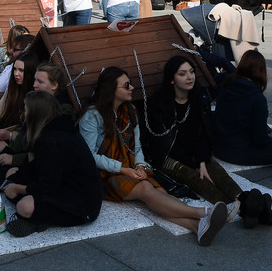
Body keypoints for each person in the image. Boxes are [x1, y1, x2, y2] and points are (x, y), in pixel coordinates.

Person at [78, 67, 229, 246]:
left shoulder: (130, 111)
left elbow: (137, 146)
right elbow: (89, 156)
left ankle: (197, 227)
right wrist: (124, 169)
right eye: (126, 85)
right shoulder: (92, 116)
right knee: (146, 189)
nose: (132, 88)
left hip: (130, 167)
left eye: (131, 83)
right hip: (104, 174)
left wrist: (141, 165)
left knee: (161, 194)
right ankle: (203, 212)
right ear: (111, 90)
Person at [142, 56, 242, 212]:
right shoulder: (159, 104)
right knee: (196, 178)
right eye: (182, 74)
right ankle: (228, 207)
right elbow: (162, 143)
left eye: (191, 72)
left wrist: (201, 160)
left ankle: (245, 200)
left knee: (216, 172)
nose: (190, 77)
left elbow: (204, 135)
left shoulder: (199, 100)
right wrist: (194, 163)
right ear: (172, 79)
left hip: (194, 152)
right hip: (167, 156)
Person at [1, 91, 103, 237]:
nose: (23, 113)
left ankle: (38, 219)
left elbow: (48, 186)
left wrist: (17, 188)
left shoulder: (50, 141)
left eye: (25, 109)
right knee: (12, 174)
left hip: (81, 205)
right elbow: (39, 168)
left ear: (35, 113)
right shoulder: (53, 128)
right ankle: (40, 215)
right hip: (64, 185)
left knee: (24, 206)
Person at [206, 50, 272, 166]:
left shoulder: (225, 84)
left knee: (264, 127)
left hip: (220, 147)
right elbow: (260, 140)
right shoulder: (257, 98)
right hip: (241, 153)